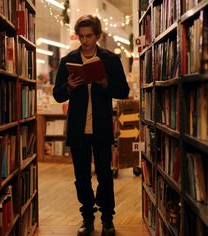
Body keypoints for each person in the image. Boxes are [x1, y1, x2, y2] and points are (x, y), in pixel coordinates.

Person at [53, 15, 129, 236]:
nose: (84, 41)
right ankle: (87, 217)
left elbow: (123, 91)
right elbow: (58, 95)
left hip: (102, 127)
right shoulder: (69, 60)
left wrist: (105, 83)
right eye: (81, 36)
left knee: (105, 174)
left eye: (89, 36)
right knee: (82, 176)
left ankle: (107, 219)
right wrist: (68, 85)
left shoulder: (110, 60)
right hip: (78, 128)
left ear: (98, 36)